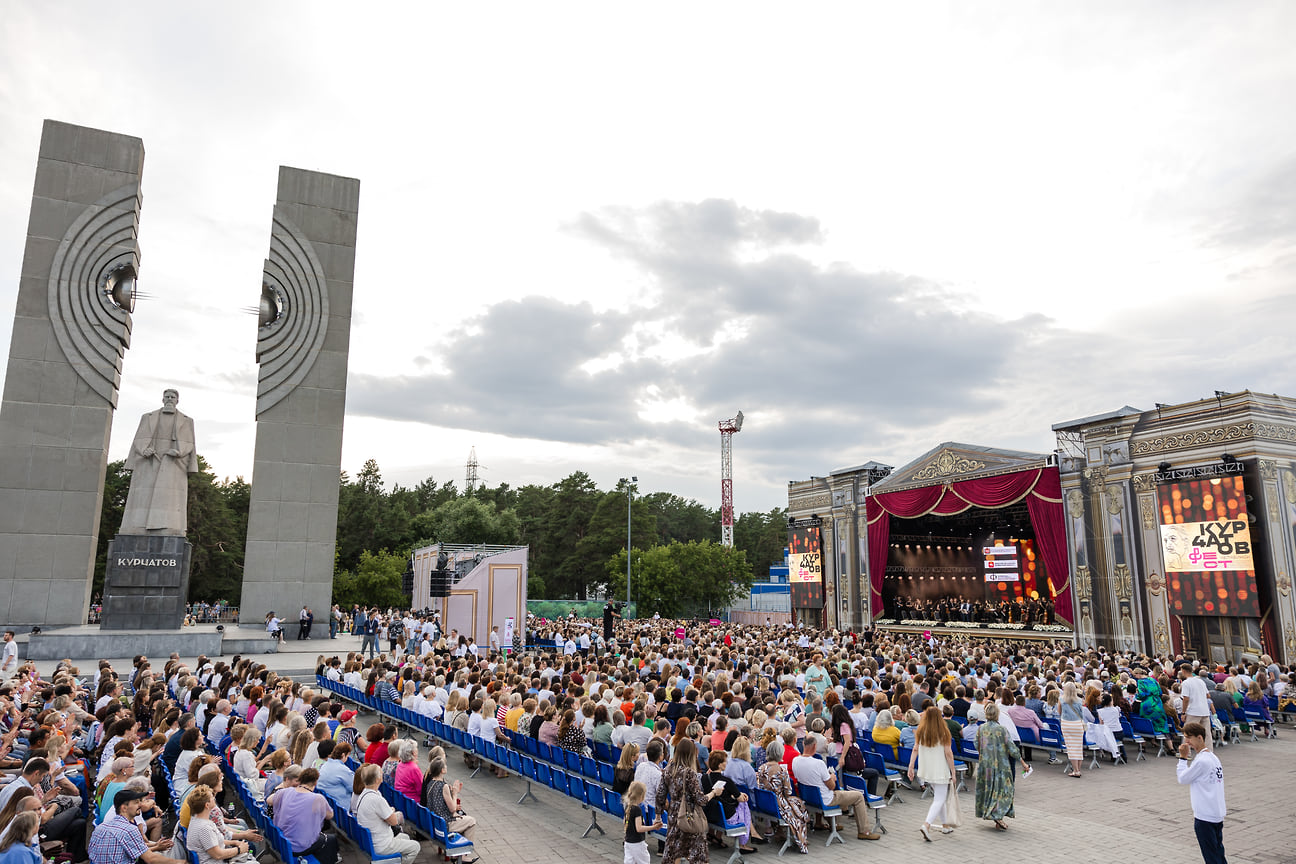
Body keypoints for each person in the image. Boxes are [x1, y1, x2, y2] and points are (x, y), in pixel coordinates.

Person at [791, 733, 879, 841]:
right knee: (858, 796)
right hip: (825, 798)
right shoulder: (818, 764)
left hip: (809, 797)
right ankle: (864, 831)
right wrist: (832, 778)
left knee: (827, 792)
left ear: (803, 744)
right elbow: (832, 786)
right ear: (814, 746)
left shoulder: (795, 761)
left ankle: (835, 824)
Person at [656, 738, 721, 864]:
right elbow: (700, 799)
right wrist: (714, 792)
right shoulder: (690, 773)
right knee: (698, 854)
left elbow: (660, 795)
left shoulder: (668, 769)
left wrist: (658, 816)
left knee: (673, 852)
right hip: (690, 815)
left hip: (674, 815)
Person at [1176, 722, 1227, 864]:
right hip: (1215, 812)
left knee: (1211, 856)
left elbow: (1183, 778)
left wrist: (1182, 758)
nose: (1187, 742)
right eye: (1185, 737)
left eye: (1189, 738)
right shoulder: (1212, 757)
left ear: (1200, 738)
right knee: (1217, 852)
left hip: (1205, 815)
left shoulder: (1202, 761)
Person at [351, 764, 420, 864]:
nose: (382, 774)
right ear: (377, 780)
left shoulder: (363, 794)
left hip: (372, 841)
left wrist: (388, 813)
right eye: (380, 773)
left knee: (405, 837)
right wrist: (390, 811)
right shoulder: (376, 799)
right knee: (415, 847)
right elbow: (394, 822)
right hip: (381, 844)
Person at [267, 769, 337, 864]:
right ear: (315, 782)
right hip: (298, 847)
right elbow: (329, 815)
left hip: (282, 841)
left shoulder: (285, 792)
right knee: (330, 840)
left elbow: (269, 800)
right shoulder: (317, 798)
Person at [907, 706, 956, 842]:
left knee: (939, 797)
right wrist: (953, 771)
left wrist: (911, 766)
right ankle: (926, 824)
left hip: (927, 769)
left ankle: (945, 825)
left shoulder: (921, 731)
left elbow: (915, 749)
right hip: (940, 769)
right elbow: (948, 753)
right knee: (939, 799)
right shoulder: (944, 732)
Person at [88, 789, 174, 864]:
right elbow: (148, 858)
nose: (140, 805)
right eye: (136, 802)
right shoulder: (129, 829)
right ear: (124, 808)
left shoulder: (100, 827)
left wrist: (156, 845)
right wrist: (181, 862)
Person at [974, 703, 1020, 830]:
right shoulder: (1002, 729)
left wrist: (983, 753)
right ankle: (998, 815)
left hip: (985, 765)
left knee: (989, 790)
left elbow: (976, 743)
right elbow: (1012, 748)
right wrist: (1022, 761)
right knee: (1004, 790)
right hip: (1000, 765)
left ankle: (994, 815)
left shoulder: (981, 728)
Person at [186, 784, 252, 864]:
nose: (214, 798)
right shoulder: (204, 828)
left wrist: (234, 842)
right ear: (207, 805)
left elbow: (215, 842)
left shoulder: (197, 820)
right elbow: (218, 855)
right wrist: (239, 850)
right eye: (212, 797)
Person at [622, 780, 661, 864]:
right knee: (644, 861)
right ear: (641, 796)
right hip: (637, 842)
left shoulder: (628, 806)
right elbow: (639, 828)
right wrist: (653, 827)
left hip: (628, 841)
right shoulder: (637, 810)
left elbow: (624, 822)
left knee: (629, 861)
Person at [1058, 682, 1086, 778]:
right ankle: (1078, 769)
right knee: (1079, 747)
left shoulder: (1061, 699)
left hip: (1066, 724)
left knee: (1071, 747)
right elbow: (1081, 713)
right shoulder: (1080, 700)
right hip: (1077, 724)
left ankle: (1076, 770)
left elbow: (1059, 712)